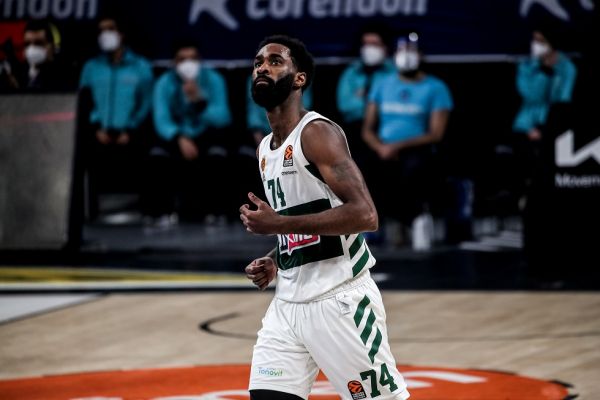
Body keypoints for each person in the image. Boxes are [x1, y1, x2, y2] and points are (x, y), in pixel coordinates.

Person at [239, 35, 410, 400]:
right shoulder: (265, 149)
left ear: (299, 78)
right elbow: (305, 218)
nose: (263, 68)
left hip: (339, 300)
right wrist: (276, 257)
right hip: (287, 304)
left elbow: (365, 215)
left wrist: (279, 225)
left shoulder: (317, 133)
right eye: (258, 63)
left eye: (275, 61)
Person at [361, 32, 453, 249]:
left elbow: (436, 133)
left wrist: (397, 146)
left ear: (421, 55)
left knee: (414, 170)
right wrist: (381, 148)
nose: (406, 56)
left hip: (417, 148)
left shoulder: (436, 88)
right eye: (402, 51)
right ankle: (374, 227)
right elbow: (367, 129)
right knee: (362, 168)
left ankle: (416, 220)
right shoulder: (382, 84)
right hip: (383, 148)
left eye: (411, 51)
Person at [78, 14, 154, 220]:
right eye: (101, 30)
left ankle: (143, 211)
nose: (105, 34)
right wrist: (96, 128)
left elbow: (146, 103)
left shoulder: (141, 67)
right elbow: (84, 102)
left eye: (110, 29)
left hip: (131, 133)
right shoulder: (91, 67)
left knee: (148, 157)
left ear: (121, 33)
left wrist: (131, 130)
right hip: (98, 133)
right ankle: (90, 212)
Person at [148, 39, 232, 224]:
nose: (188, 64)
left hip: (206, 132)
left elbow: (223, 118)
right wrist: (179, 136)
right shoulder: (164, 82)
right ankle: (161, 213)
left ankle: (216, 212)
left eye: (193, 58)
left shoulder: (214, 79)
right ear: (174, 62)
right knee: (157, 155)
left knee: (218, 153)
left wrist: (199, 102)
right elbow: (161, 119)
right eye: (182, 59)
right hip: (177, 135)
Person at [508, 24, 577, 211]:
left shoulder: (566, 67)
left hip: (554, 124)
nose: (536, 44)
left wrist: (546, 128)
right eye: (534, 40)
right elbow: (529, 94)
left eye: (541, 40)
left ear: (551, 42)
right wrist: (542, 71)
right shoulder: (527, 66)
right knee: (525, 156)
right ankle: (525, 196)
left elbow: (563, 99)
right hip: (525, 124)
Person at [336, 23, 396, 170]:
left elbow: (395, 104)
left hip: (387, 126)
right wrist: (374, 104)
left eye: (375, 44)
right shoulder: (351, 72)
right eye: (366, 44)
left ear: (385, 47)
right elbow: (346, 106)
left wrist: (364, 97)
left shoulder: (395, 72)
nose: (369, 48)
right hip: (355, 127)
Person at [0, 19, 77, 92]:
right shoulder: (17, 73)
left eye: (39, 43)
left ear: (53, 46)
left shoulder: (67, 74)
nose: (32, 48)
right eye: (27, 44)